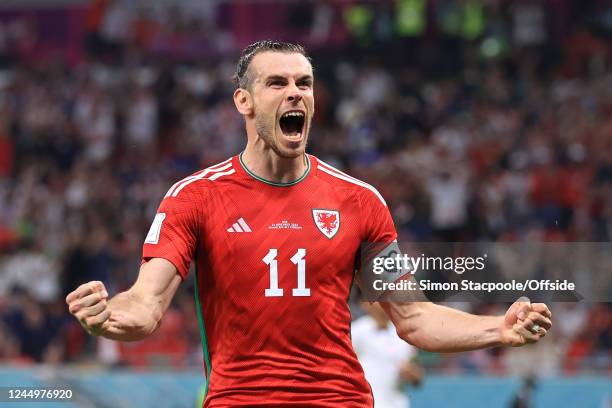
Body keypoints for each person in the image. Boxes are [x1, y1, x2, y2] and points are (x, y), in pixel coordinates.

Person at [66, 40, 553, 407]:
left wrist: (498, 329)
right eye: (277, 83)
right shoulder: (196, 197)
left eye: (304, 83)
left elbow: (415, 317)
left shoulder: (359, 201)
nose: (294, 93)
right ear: (245, 102)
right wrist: (106, 317)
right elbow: (145, 307)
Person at [352, 302, 423, 408]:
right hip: (367, 403)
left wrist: (411, 374)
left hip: (397, 404)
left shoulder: (403, 333)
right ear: (366, 304)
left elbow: (417, 377)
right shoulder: (357, 330)